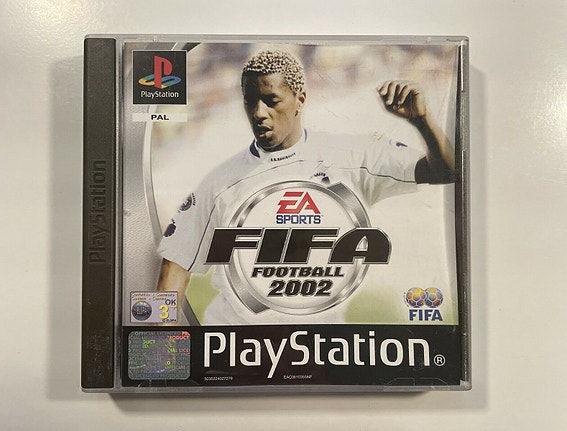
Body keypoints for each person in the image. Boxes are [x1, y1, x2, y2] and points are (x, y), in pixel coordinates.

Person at [157, 50, 455, 325]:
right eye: (250, 101)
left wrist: (422, 121)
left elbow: (444, 171)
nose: (258, 112)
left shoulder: (352, 157)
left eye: (271, 100)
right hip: (235, 349)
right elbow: (176, 263)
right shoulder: (221, 182)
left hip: (321, 351)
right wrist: (162, 351)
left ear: (300, 99)